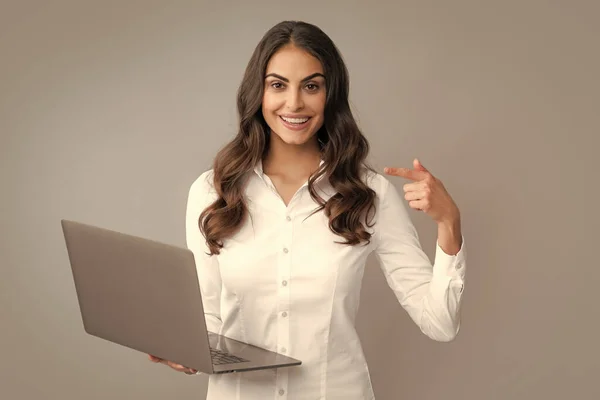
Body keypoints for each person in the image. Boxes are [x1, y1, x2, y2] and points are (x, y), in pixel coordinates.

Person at [149, 20, 466, 399]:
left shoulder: (369, 194)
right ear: (259, 93)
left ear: (330, 95)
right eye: (278, 85)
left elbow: (441, 324)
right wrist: (184, 349)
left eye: (311, 86)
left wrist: (449, 222)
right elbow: (208, 316)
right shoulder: (211, 191)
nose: (294, 103)